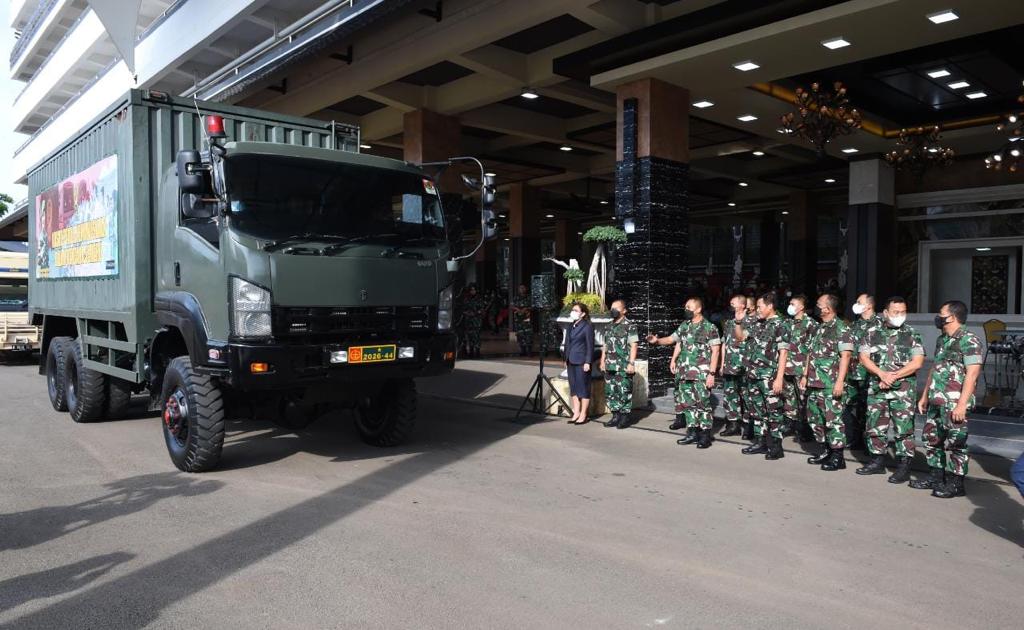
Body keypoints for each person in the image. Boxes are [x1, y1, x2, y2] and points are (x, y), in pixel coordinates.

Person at [910, 301, 983, 498]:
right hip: (937, 399)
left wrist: (961, 404)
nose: (938, 317)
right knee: (931, 440)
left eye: (941, 314)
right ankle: (936, 477)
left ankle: (957, 484)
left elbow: (972, 374)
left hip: (954, 402)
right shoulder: (942, 339)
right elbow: (935, 367)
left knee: (956, 443)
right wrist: (924, 395)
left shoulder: (970, 340)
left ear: (952, 317)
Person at [856, 296, 925, 483]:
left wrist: (892, 376)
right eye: (896, 312)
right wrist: (882, 374)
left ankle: (904, 466)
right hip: (878, 388)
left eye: (903, 312)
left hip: (902, 390)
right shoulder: (871, 333)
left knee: (904, 430)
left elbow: (917, 362)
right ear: (886, 313)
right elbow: (864, 358)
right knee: (875, 426)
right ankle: (877, 461)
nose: (900, 315)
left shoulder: (912, 333)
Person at [648, 297, 721, 448]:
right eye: (685, 306)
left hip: (701, 374)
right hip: (685, 373)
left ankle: (705, 435)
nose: (686, 309)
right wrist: (657, 341)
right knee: (688, 404)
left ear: (698, 309)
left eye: (689, 307)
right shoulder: (684, 326)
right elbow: (671, 339)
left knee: (703, 405)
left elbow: (716, 352)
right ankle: (692, 433)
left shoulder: (710, 327)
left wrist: (712, 374)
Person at [800, 294, 855, 471]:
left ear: (828, 309)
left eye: (819, 304)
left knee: (833, 420)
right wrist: (805, 376)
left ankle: (838, 456)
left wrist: (840, 382)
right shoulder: (819, 328)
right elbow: (810, 353)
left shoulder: (841, 328)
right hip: (814, 382)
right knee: (815, 417)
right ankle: (826, 450)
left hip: (831, 382)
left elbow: (846, 356)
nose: (816, 306)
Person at [736, 292, 788, 459]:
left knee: (774, 412)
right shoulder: (757, 324)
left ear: (770, 306)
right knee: (757, 411)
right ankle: (760, 441)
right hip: (753, 375)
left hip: (769, 376)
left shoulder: (781, 324)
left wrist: (779, 378)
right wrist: (738, 322)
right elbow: (741, 337)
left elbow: (784, 353)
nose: (757, 309)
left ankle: (776, 446)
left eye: (760, 306)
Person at [846, 293, 883, 449]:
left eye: (859, 302)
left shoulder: (881, 324)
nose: (856, 304)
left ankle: (871, 444)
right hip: (853, 373)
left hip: (870, 374)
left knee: (871, 409)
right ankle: (856, 439)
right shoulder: (855, 325)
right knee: (853, 407)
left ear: (869, 305)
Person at [783, 294, 818, 441]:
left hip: (801, 368)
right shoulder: (787, 323)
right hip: (787, 368)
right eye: (790, 303)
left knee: (804, 399)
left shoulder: (811, 324)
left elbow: (812, 350)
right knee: (789, 399)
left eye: (793, 303)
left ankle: (806, 429)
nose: (790, 306)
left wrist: (806, 373)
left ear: (801, 307)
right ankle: (791, 424)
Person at [601, 299, 639, 429]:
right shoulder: (608, 325)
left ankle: (624, 416)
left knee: (624, 390)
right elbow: (605, 345)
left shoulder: (630, 325)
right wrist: (602, 361)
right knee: (610, 391)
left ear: (624, 311)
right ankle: (615, 415)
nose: (613, 310)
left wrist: (631, 363)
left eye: (616, 308)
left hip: (623, 365)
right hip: (610, 365)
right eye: (612, 308)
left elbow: (634, 345)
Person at [718, 294, 748, 437]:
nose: (731, 306)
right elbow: (724, 343)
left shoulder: (751, 321)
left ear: (742, 305)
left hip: (744, 366)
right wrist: (722, 363)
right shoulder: (729, 323)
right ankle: (733, 425)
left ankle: (749, 427)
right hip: (730, 365)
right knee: (730, 396)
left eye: (733, 303)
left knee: (746, 396)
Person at [564, 302, 595, 425]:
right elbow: (567, 343)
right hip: (571, 360)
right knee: (574, 389)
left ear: (583, 313)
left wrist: (588, 361)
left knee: (583, 388)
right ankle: (576, 412)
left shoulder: (587, 326)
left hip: (582, 361)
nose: (573, 312)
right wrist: (565, 359)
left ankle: (583, 414)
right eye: (573, 310)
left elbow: (590, 345)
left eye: (576, 310)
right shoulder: (571, 325)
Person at [740, 295, 759, 441]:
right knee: (746, 397)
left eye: (747, 305)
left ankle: (755, 428)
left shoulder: (760, 321)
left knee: (756, 400)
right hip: (746, 364)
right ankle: (748, 426)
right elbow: (741, 337)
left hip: (758, 366)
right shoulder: (744, 320)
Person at [461, 284, 485, 358]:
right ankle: (471, 352)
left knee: (477, 336)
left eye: (474, 290)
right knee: (470, 336)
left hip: (476, 321)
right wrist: (467, 313)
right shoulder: (466, 299)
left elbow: (482, 309)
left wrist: (475, 313)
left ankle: (477, 352)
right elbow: (462, 310)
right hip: (468, 321)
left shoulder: (479, 299)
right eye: (471, 290)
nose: (472, 291)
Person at [512, 284, 534, 357]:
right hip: (518, 319)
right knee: (520, 334)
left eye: (523, 288)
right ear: (518, 289)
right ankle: (522, 350)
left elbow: (533, 306)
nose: (522, 289)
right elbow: (512, 306)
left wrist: (526, 309)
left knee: (528, 334)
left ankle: (529, 351)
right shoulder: (515, 298)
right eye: (520, 288)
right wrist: (517, 309)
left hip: (526, 318)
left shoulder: (529, 298)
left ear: (526, 289)